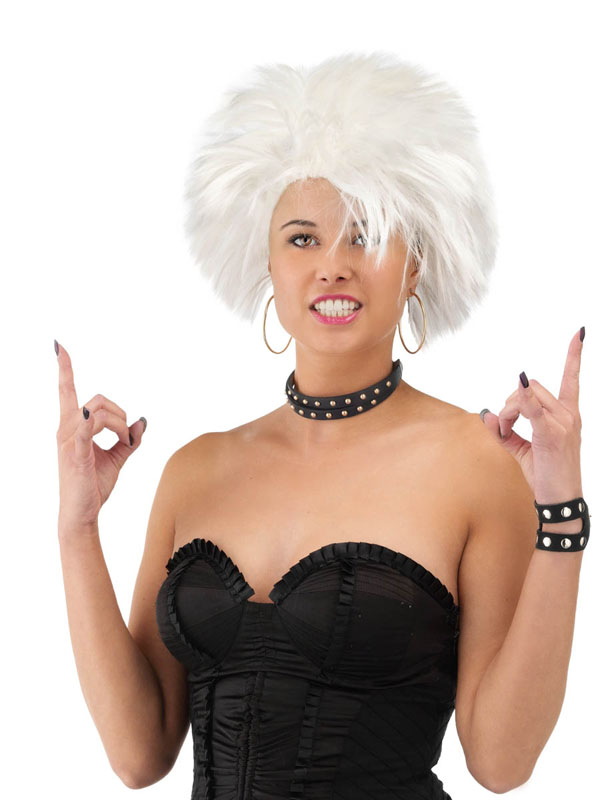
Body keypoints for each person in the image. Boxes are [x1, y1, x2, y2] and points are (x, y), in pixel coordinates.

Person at [55, 51, 589, 799]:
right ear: (269, 266)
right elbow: (138, 755)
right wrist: (77, 528)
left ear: (414, 266)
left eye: (365, 235)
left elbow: (502, 764)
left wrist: (560, 517)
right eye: (303, 239)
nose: (333, 266)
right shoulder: (196, 470)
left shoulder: (477, 461)